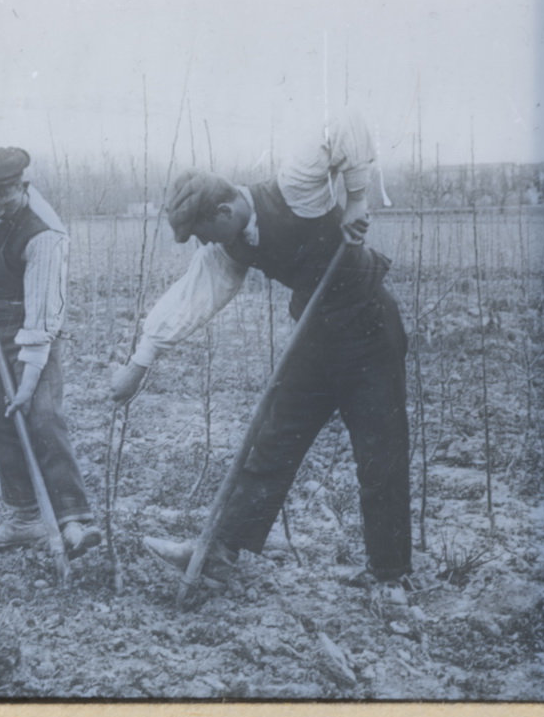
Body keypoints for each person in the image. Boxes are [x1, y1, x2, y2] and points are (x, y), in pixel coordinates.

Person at [111, 107, 411, 595]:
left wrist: (357, 197)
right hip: (314, 336)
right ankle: (218, 552)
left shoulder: (296, 185)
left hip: (369, 329)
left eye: (206, 234)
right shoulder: (229, 247)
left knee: (380, 452)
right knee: (272, 442)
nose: (206, 246)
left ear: (224, 213)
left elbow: (342, 122)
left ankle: (391, 576)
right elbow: (190, 300)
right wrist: (139, 364)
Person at [0, 147, 102, 559]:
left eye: (6, 195)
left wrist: (28, 381)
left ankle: (74, 520)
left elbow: (44, 317)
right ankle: (24, 518)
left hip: (31, 325)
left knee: (41, 415)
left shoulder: (44, 233)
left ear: (24, 185)